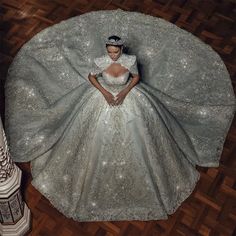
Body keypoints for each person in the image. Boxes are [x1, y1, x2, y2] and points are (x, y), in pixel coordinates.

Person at [4, 9, 236, 222]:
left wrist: (125, 92)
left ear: (122, 50)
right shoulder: (101, 62)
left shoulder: (130, 61)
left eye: (116, 51)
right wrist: (105, 93)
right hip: (101, 100)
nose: (113, 56)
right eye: (110, 51)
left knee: (146, 133)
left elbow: (135, 78)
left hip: (130, 100)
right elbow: (92, 77)